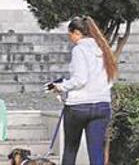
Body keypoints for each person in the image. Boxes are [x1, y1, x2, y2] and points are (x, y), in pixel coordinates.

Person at [49, 16, 118, 165]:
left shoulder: (79, 50)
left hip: (79, 106)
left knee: (70, 148)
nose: (70, 38)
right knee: (96, 151)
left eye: (70, 35)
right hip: (102, 104)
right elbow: (110, 79)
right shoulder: (103, 49)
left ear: (77, 33)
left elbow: (80, 79)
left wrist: (60, 86)